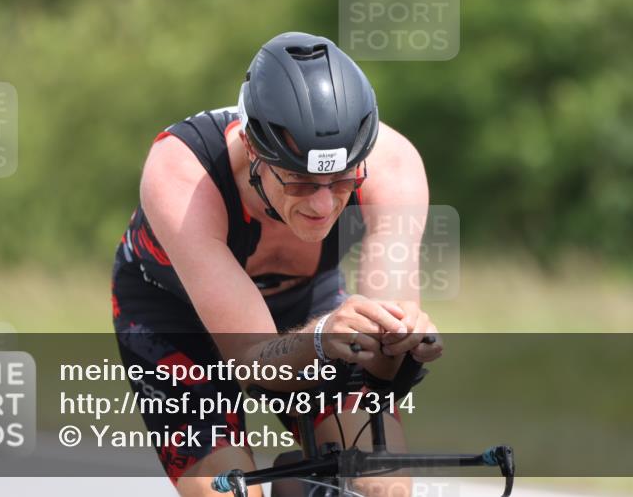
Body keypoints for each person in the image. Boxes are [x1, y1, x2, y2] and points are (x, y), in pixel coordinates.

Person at [111, 32, 442, 497]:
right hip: (174, 313)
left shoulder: (392, 166)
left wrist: (397, 342)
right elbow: (253, 360)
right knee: (229, 491)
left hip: (306, 301)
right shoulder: (182, 174)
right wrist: (325, 338)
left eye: (343, 180)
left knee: (381, 486)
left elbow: (379, 368)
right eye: (301, 182)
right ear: (252, 152)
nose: (324, 205)